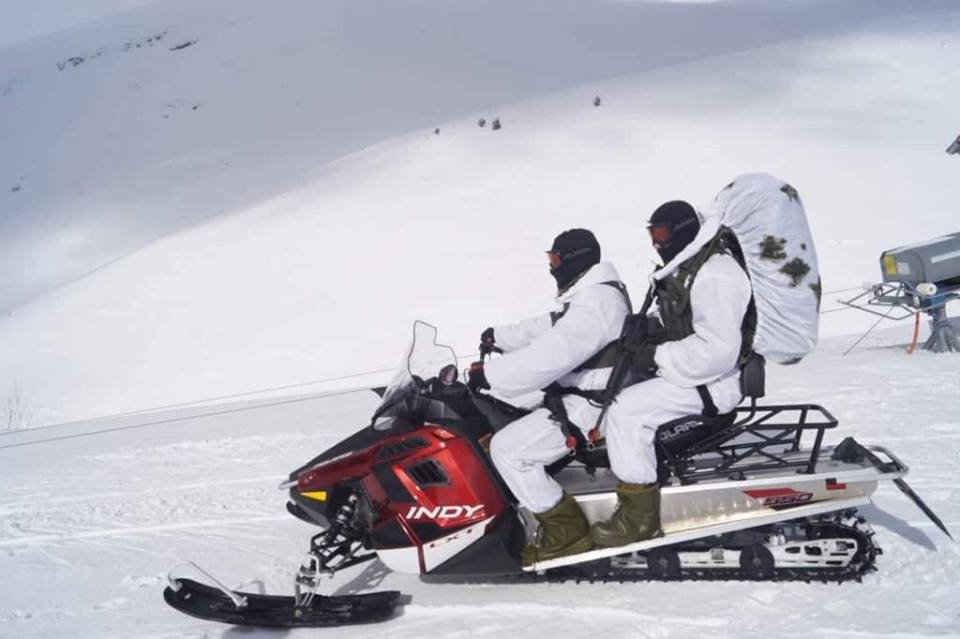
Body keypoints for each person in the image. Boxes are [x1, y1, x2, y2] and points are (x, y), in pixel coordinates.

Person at [588, 200, 753, 548]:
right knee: (618, 389)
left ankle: (639, 520)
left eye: (662, 234)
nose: (656, 243)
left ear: (683, 232)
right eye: (652, 234)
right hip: (696, 374)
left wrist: (654, 355)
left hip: (715, 382)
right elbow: (682, 324)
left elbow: (716, 350)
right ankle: (638, 470)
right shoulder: (687, 268)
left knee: (627, 411)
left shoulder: (715, 274)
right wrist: (648, 330)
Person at [466, 228, 630, 566]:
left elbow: (552, 354)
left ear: (574, 260)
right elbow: (551, 326)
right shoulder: (591, 295)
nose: (551, 266)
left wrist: (491, 376)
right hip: (583, 395)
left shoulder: (596, 304)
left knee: (508, 450)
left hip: (593, 406)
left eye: (555, 259)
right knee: (511, 417)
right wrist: (501, 337)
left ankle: (565, 533)